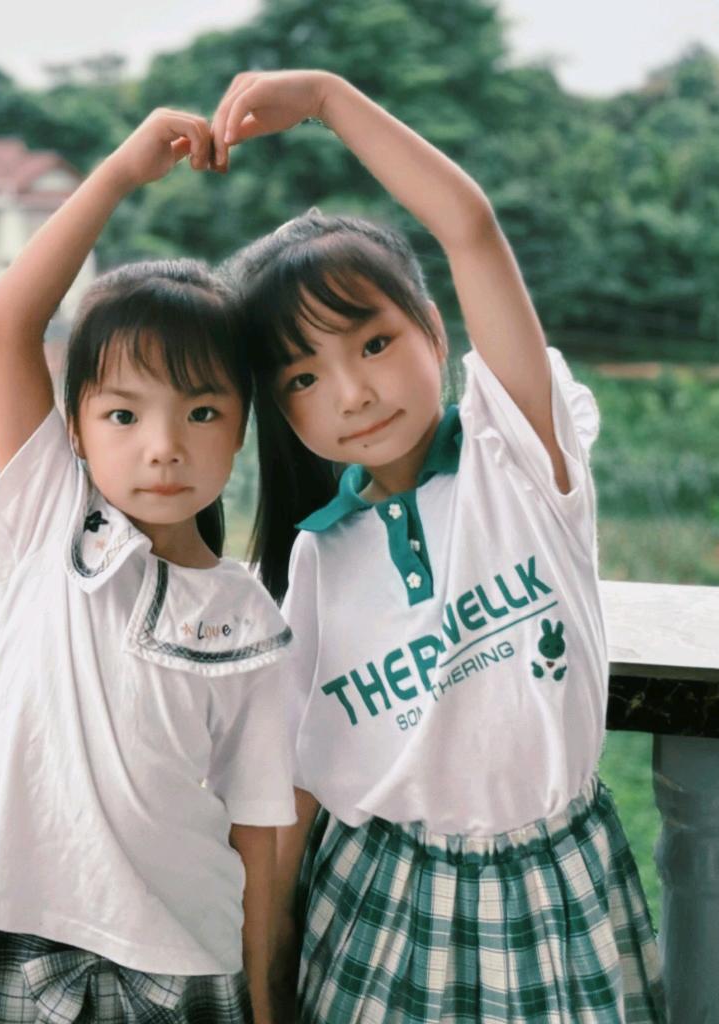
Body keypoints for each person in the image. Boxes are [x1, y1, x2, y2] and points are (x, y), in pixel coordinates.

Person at [215, 71, 668, 1022]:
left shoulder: (517, 460)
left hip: (559, 888)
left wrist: (331, 101)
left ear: (431, 330)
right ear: (279, 410)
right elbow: (292, 794)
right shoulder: (317, 561)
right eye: (303, 375)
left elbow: (468, 226)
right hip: (381, 904)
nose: (351, 391)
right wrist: (265, 987)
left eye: (372, 343)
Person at [0, 108, 296, 1024]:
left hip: (188, 965)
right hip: (18, 936)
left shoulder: (251, 620)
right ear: (80, 428)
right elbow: (12, 322)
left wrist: (263, 998)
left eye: (201, 413)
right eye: (124, 415)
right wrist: (119, 177)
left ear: (241, 428)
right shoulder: (50, 511)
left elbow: (260, 832)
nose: (163, 449)